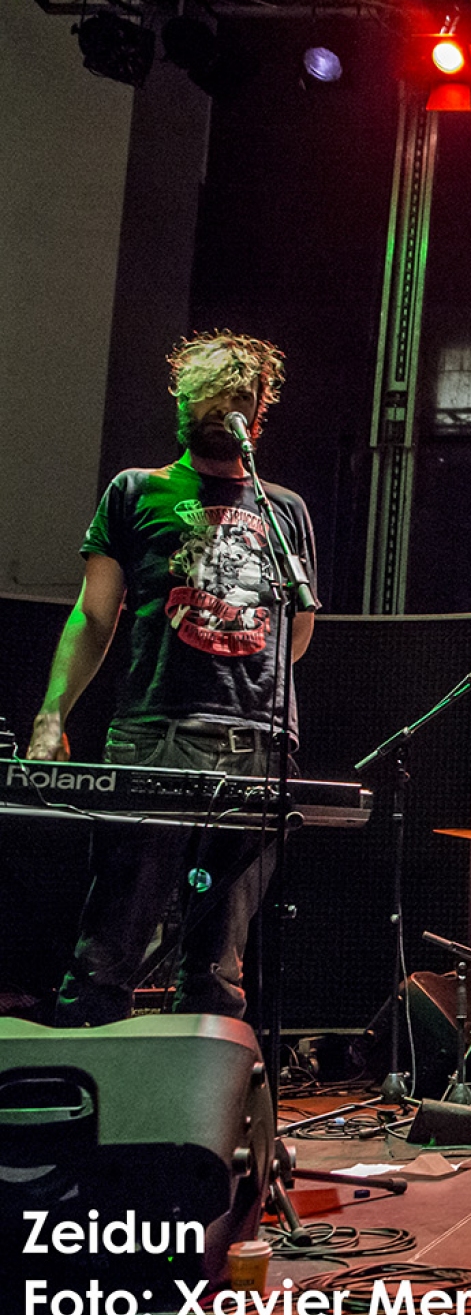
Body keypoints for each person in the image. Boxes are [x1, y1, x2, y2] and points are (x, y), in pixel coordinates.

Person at [26, 331, 317, 1027]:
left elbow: (298, 628)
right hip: (157, 731)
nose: (223, 408)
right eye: (208, 395)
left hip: (257, 743)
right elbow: (93, 617)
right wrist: (52, 714)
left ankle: (202, 1088)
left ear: (259, 409)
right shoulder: (136, 490)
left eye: (238, 397)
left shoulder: (285, 510)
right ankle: (88, 1080)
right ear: (183, 401)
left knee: (218, 963)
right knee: (112, 943)